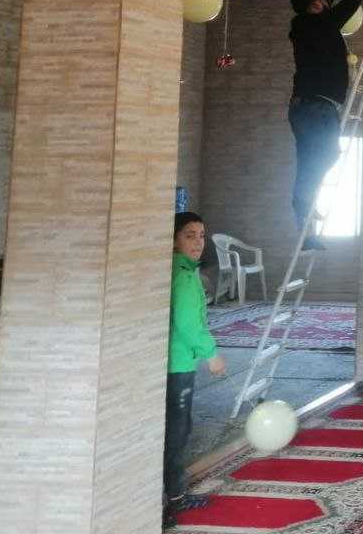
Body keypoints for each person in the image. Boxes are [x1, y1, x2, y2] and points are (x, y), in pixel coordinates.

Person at [288, 0, 361, 249]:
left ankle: (305, 219)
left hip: (304, 108)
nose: (323, 2)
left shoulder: (304, 25)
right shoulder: (320, 23)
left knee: (310, 161)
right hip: (318, 108)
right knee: (327, 155)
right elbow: (351, 3)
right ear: (313, 4)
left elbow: (325, 8)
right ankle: (303, 200)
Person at [164, 212, 226, 529]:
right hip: (178, 366)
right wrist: (211, 354)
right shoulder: (185, 278)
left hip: (172, 362)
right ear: (174, 240)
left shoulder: (178, 270)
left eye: (201, 235)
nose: (198, 242)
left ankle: (170, 494)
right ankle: (173, 498)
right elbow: (189, 324)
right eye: (189, 235)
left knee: (174, 429)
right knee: (177, 433)